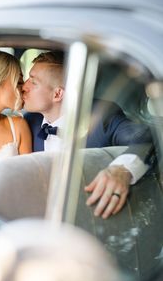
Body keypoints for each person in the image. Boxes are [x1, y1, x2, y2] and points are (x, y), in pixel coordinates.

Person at [23, 51, 152, 219]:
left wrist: (121, 170)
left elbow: (146, 139)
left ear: (57, 94)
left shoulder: (103, 116)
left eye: (33, 82)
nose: (23, 86)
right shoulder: (29, 121)